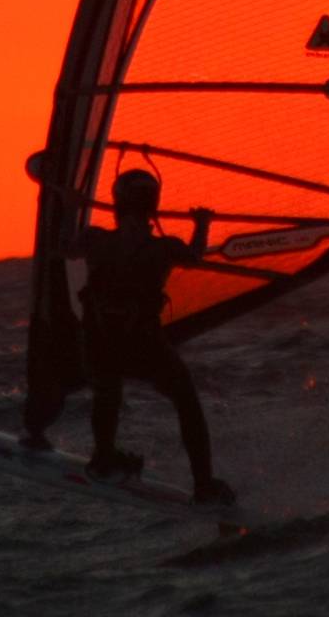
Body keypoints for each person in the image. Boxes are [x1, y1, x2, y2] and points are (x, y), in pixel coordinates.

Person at [23, 166, 236, 507]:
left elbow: (62, 248)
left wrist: (73, 208)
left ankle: (104, 456)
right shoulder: (164, 248)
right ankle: (204, 484)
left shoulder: (96, 240)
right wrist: (202, 223)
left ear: (117, 205)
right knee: (186, 400)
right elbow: (196, 256)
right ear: (153, 207)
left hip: (100, 343)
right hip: (143, 345)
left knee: (107, 389)